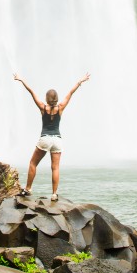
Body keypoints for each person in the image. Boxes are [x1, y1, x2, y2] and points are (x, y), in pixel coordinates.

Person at [13, 72, 90, 201]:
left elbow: (31, 92)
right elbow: (71, 93)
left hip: (45, 139)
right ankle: (54, 194)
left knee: (33, 163)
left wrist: (21, 80)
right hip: (57, 140)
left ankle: (28, 189)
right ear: (57, 99)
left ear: (47, 99)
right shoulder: (60, 108)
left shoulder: (43, 108)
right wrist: (80, 81)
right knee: (55, 167)